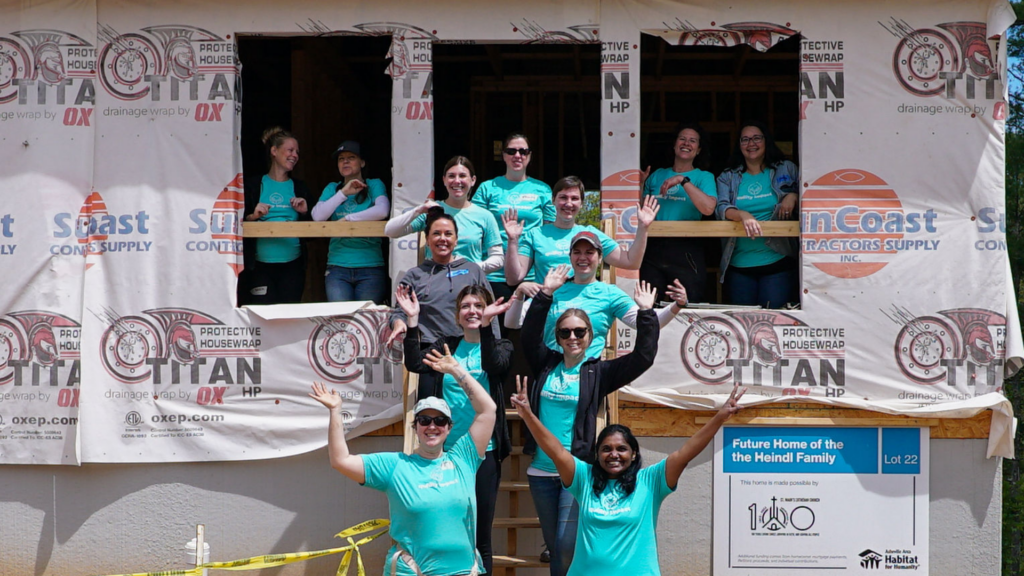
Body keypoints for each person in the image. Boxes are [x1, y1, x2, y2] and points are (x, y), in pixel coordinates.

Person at [510, 382, 746, 576]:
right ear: (597, 454)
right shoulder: (584, 478)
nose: (614, 454)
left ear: (633, 454)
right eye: (606, 449)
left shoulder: (651, 482)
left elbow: (685, 453)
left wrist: (720, 417)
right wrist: (528, 416)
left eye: (621, 449)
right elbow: (556, 451)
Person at [309, 341, 498, 576]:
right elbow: (341, 460)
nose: (432, 426)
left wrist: (456, 371)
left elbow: (488, 410)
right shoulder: (395, 466)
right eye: (424, 420)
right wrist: (335, 411)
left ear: (449, 428)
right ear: (415, 427)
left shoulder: (464, 458)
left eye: (439, 421)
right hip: (413, 571)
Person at [516, 274, 661, 576]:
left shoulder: (599, 373)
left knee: (566, 544)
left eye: (579, 332)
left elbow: (643, 357)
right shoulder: (546, 363)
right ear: (557, 337)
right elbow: (528, 336)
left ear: (590, 336)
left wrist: (647, 314)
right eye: (566, 332)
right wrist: (545, 294)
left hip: (578, 473)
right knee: (556, 549)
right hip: (541, 472)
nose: (572, 338)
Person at [400, 285, 514, 576]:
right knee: (445, 529)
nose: (473, 311)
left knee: (480, 535)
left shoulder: (501, 345)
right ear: (457, 316)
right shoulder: (447, 346)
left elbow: (494, 365)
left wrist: (487, 327)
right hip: (447, 455)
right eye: (466, 306)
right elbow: (414, 362)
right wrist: (413, 320)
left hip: (482, 453)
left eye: (478, 305)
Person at [506, 231, 688, 359]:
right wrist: (519, 292)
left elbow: (644, 324)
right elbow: (512, 323)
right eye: (577, 252)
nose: (582, 257)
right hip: (550, 371)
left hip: (589, 375)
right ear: (570, 257)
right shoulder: (553, 289)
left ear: (600, 258)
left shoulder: (610, 294)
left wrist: (676, 306)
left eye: (589, 252)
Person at [503, 175, 658, 294]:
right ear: (553, 201)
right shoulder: (535, 234)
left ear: (582, 203)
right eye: (563, 197)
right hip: (547, 304)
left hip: (582, 306)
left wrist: (643, 227)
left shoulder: (590, 234)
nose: (568, 203)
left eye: (574, 198)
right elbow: (513, 278)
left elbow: (631, 262)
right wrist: (512, 241)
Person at [716, 121, 800, 308]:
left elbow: (810, 195)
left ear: (766, 141)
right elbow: (721, 208)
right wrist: (742, 214)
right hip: (739, 265)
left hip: (778, 263)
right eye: (745, 139)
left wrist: (793, 195)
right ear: (739, 145)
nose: (751, 143)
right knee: (742, 326)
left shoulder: (786, 168)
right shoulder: (728, 176)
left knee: (772, 325)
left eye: (756, 138)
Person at [387, 208, 496, 347]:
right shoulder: (414, 275)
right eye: (436, 234)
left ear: (456, 240)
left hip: (469, 347)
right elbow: (400, 312)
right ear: (427, 239)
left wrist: (494, 346)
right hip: (430, 350)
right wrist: (399, 323)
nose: (442, 238)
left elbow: (491, 312)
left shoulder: (473, 271)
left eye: (448, 234)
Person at [471, 133, 555, 303]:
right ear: (503, 155)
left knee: (530, 329)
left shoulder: (543, 189)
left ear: (529, 156)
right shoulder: (487, 188)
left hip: (531, 275)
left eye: (523, 151)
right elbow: (475, 228)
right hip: (493, 274)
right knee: (493, 327)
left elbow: (549, 232)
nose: (517, 155)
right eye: (511, 151)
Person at [640, 122, 718, 303]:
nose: (686, 143)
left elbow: (708, 208)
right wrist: (640, 184)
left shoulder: (704, 177)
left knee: (687, 303)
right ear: (674, 145)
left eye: (693, 141)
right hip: (653, 247)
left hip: (686, 248)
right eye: (682, 139)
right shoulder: (658, 174)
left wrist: (683, 180)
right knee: (650, 305)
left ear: (698, 150)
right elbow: (640, 208)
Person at [385, 156, 503, 274]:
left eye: (462, 176)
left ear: (473, 180)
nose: (457, 181)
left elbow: (497, 258)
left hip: (469, 284)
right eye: (451, 176)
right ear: (444, 180)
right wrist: (418, 210)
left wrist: (471, 268)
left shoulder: (485, 216)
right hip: (435, 282)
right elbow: (391, 231)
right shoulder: (433, 210)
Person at [310, 141, 390, 304]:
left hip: (370, 266)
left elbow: (382, 210)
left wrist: (349, 219)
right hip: (337, 267)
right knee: (341, 320)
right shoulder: (333, 188)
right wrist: (343, 192)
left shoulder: (374, 184)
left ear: (362, 162)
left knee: (367, 322)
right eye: (341, 159)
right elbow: (318, 216)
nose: (345, 161)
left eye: (351, 157)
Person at [243, 126, 312, 304]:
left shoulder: (300, 187)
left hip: (293, 265)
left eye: (297, 152)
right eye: (290, 150)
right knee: (263, 318)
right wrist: (253, 216)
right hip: (259, 266)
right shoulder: (253, 185)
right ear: (274, 151)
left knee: (288, 317)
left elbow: (313, 232)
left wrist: (304, 213)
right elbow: (235, 223)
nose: (295, 155)